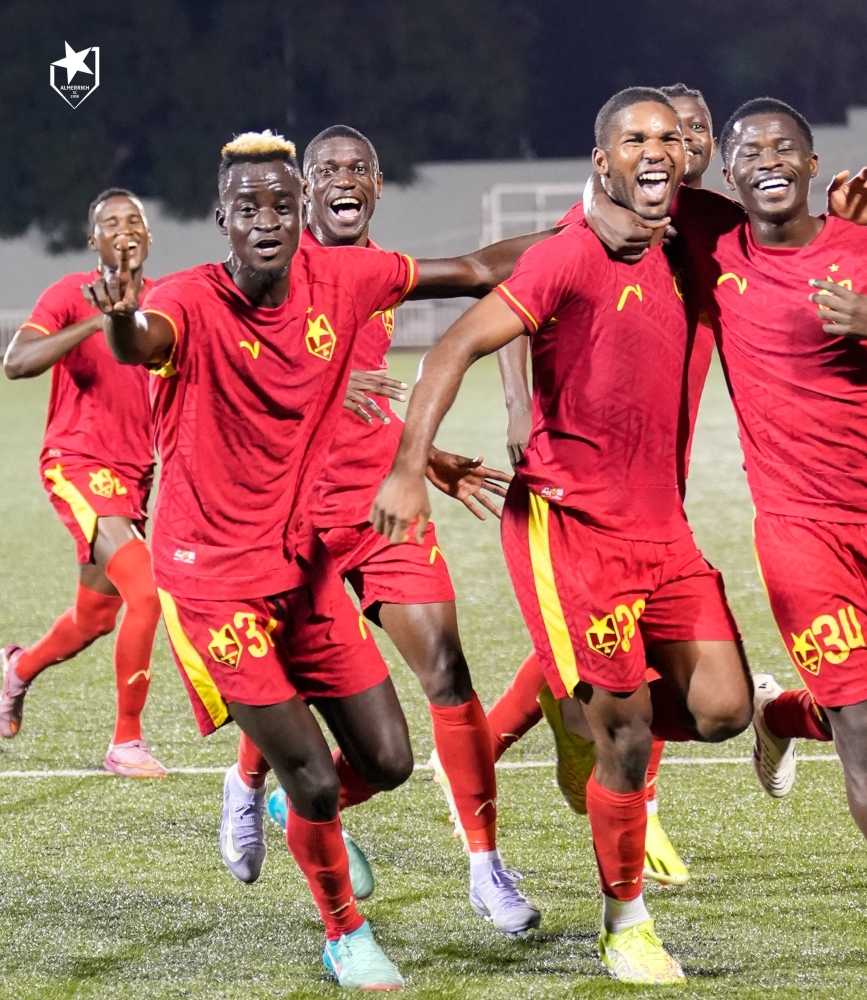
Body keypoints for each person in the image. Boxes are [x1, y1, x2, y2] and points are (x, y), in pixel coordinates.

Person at [588, 96, 867, 1000]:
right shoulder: (713, 239)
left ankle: (780, 718)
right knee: (865, 743)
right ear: (729, 173)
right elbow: (621, 184)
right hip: (797, 533)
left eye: (784, 148)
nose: (766, 160)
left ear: (814, 164)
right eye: (748, 151)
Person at [371, 88, 757, 985]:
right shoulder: (567, 255)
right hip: (569, 529)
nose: (658, 150)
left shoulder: (694, 239)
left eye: (671, 137)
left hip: (662, 528)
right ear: (601, 161)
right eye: (636, 138)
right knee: (628, 739)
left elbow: (779, 239)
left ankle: (581, 704)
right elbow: (451, 346)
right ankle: (626, 925)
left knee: (722, 709)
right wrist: (407, 467)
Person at [84, 131, 415, 989]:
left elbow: (469, 270)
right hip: (214, 582)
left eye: (280, 204)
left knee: (387, 761)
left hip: (302, 564)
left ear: (302, 211)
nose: (266, 220)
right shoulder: (187, 299)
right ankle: (344, 933)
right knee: (312, 779)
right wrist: (118, 315)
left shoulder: (337, 279)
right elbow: (140, 340)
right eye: (247, 208)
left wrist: (586, 234)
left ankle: (275, 799)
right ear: (221, 219)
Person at [229, 124, 540, 936]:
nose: (344, 178)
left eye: (357, 169)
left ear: (375, 186)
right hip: (293, 520)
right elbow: (235, 382)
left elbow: (475, 271)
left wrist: (423, 458)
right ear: (302, 189)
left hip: (382, 511)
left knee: (447, 672)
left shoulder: (379, 273)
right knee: (293, 685)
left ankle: (484, 867)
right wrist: (319, 385)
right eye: (327, 168)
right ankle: (251, 784)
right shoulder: (268, 268)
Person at [487, 81, 722, 888]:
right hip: (588, 485)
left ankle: (544, 733)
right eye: (670, 131)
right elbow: (517, 285)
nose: (684, 142)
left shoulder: (702, 229)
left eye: (695, 131)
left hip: (659, 473)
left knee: (622, 647)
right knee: (625, 655)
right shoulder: (604, 221)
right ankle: (621, 801)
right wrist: (517, 403)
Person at [0, 189, 164, 777]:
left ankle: (16, 669)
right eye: (110, 223)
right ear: (93, 240)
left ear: (148, 236)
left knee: (94, 618)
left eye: (134, 220)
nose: (124, 229)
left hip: (135, 477)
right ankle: (126, 741)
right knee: (147, 591)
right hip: (75, 461)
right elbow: (16, 362)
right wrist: (101, 320)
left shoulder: (166, 303)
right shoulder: (71, 294)